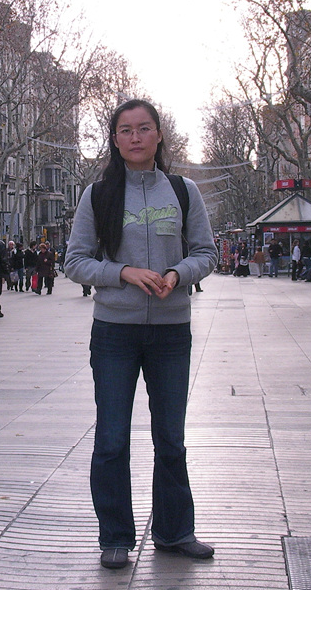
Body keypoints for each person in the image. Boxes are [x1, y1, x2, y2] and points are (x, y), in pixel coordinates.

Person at [65, 99, 219, 570]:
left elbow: (206, 252)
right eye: (126, 130)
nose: (135, 137)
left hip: (171, 333)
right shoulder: (97, 195)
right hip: (114, 332)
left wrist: (177, 273)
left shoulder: (184, 191)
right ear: (114, 139)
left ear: (159, 135)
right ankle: (115, 536)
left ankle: (175, 532)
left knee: (170, 438)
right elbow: (75, 262)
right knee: (112, 438)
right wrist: (123, 272)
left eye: (144, 128)